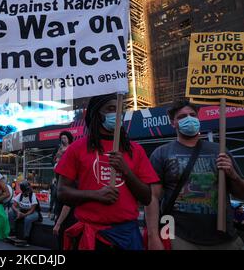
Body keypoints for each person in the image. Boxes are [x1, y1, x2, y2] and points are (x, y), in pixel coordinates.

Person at [55, 93, 160, 250]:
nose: (117, 114)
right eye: (111, 109)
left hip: (127, 237)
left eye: (120, 109)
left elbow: (146, 198)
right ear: (97, 113)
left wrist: (126, 171)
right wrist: (95, 195)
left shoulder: (135, 150)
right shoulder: (77, 148)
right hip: (91, 237)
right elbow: (62, 192)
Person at [144, 99, 244, 250]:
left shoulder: (220, 150)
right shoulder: (161, 153)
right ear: (173, 123)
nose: (189, 119)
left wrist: (233, 175)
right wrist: (153, 236)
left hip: (224, 237)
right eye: (182, 117)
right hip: (178, 237)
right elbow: (152, 197)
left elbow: (241, 194)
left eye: (192, 115)